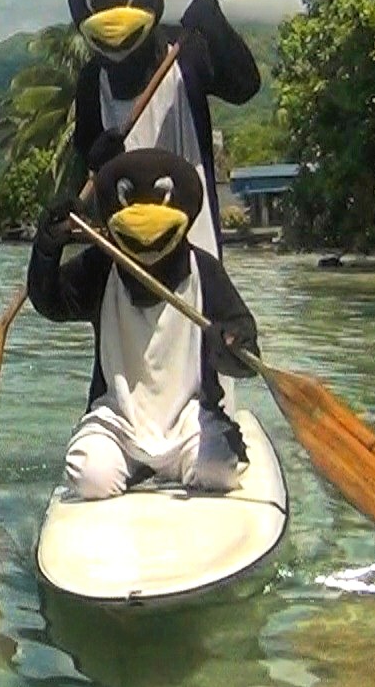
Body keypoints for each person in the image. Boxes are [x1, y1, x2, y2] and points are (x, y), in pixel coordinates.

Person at [28, 148, 260, 500]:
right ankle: (135, 466)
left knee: (217, 471)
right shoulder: (102, 267)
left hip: (189, 419)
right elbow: (51, 302)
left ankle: (179, 464)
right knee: (90, 476)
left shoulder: (203, 271)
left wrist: (230, 346)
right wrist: (46, 250)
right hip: (118, 419)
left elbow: (244, 350)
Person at [65, 0, 259, 256]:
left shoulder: (184, 51)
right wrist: (97, 158)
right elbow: (85, 156)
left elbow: (244, 87)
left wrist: (216, 29)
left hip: (193, 232)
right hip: (125, 236)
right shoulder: (93, 80)